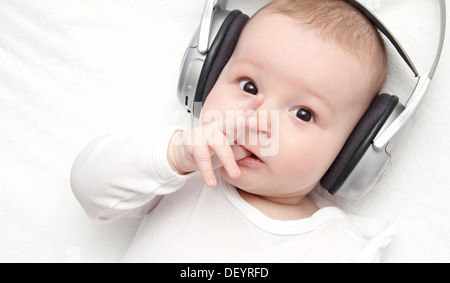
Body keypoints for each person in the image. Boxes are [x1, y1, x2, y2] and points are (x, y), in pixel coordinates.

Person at [70, 0, 395, 263]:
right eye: (249, 86)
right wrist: (174, 155)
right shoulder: (186, 174)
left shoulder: (334, 249)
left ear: (352, 150)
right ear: (207, 77)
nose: (258, 121)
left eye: (303, 114)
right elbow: (89, 189)